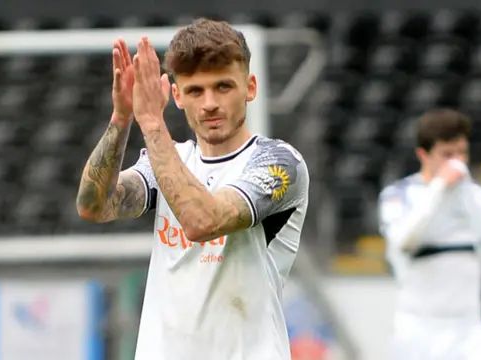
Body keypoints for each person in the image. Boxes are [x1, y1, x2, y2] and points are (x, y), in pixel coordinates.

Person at [75, 19, 309, 360]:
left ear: (251, 88)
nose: (210, 103)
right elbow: (93, 206)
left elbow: (202, 221)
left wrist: (152, 123)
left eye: (223, 87)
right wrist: (122, 119)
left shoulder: (278, 163)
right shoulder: (168, 160)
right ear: (177, 96)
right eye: (196, 91)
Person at [377, 109, 481, 360]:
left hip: (469, 330)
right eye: (447, 154)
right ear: (423, 155)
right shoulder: (399, 196)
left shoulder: (479, 198)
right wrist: (439, 186)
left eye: (462, 153)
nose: (457, 162)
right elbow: (403, 241)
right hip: (418, 329)